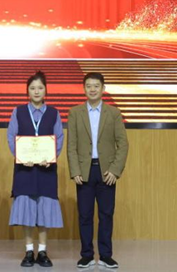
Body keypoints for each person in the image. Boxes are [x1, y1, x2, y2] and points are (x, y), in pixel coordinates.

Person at [67, 72, 129, 269]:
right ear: (84, 89)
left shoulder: (114, 113)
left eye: (96, 86)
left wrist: (115, 170)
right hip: (84, 172)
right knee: (85, 215)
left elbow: (123, 144)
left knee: (106, 214)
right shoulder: (75, 112)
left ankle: (105, 255)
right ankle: (86, 255)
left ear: (103, 88)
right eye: (88, 86)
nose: (92, 89)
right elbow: (71, 145)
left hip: (106, 172)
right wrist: (75, 170)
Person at [7, 71, 64, 268]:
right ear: (27, 91)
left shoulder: (54, 113)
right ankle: (29, 250)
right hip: (25, 169)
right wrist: (21, 157)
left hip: (47, 169)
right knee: (27, 210)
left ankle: (43, 251)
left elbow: (59, 138)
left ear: (46, 90)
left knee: (44, 210)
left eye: (40, 88)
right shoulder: (18, 111)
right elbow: (11, 137)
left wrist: (51, 157)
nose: (36, 91)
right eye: (32, 88)